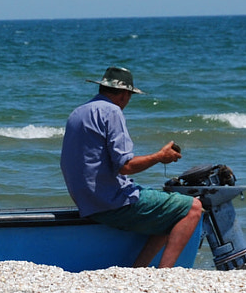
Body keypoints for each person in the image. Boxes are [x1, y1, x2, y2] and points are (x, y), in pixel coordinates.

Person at [59, 66, 204, 268]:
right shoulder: (112, 111)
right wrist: (160, 157)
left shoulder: (78, 112)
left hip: (87, 201)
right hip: (110, 202)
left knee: (167, 213)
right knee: (192, 208)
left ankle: (140, 270)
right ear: (125, 94)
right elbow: (126, 166)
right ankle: (166, 273)